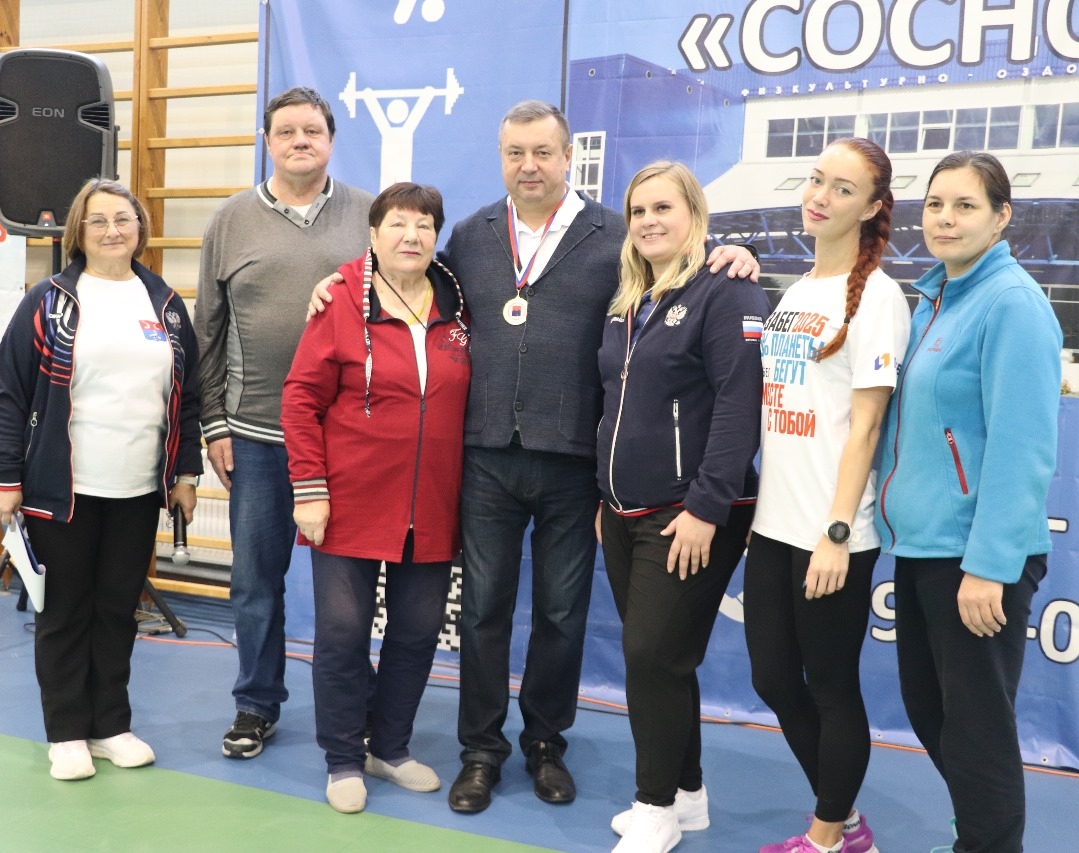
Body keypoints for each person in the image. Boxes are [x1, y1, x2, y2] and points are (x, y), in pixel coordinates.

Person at [309, 100, 756, 814]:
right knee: (483, 612)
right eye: (515, 153)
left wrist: (731, 254)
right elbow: (404, 276)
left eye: (543, 152)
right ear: (501, 158)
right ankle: (480, 751)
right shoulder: (472, 234)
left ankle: (546, 743)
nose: (529, 166)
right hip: (486, 457)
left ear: (568, 156)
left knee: (562, 613)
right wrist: (341, 280)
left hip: (574, 462)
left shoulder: (615, 235)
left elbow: (677, 268)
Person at [875, 151, 1062, 853]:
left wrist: (989, 565)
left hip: (976, 557)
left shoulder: (1012, 303)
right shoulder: (936, 299)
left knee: (978, 728)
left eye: (965, 205)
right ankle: (978, 834)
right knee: (932, 712)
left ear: (1001, 216)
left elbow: (1023, 446)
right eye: (935, 204)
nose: (945, 219)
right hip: (923, 546)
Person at [0, 178, 202, 781]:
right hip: (63, 491)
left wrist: (185, 472)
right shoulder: (48, 301)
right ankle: (66, 733)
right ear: (78, 231)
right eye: (98, 220)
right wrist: (5, 475)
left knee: (116, 611)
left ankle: (110, 725)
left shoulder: (165, 303)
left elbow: (186, 398)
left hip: (137, 490)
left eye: (123, 219)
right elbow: (10, 394)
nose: (113, 230)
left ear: (140, 228)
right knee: (64, 612)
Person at [195, 86, 374, 759]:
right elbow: (208, 330)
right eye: (287, 131)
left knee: (349, 588)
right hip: (256, 437)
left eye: (313, 131)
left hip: (349, 439)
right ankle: (255, 704)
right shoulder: (230, 220)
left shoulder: (370, 214)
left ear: (331, 140)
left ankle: (353, 707)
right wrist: (214, 423)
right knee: (255, 582)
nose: (301, 140)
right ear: (267, 142)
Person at [744, 137, 910, 853]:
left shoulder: (880, 297)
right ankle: (844, 816)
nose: (821, 196)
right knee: (773, 678)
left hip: (832, 531)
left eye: (843, 189)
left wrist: (837, 531)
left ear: (872, 207)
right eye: (817, 180)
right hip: (774, 522)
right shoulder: (798, 292)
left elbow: (867, 425)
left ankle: (826, 837)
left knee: (832, 684)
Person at [282, 182, 470, 814]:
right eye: (397, 224)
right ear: (372, 233)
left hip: (433, 505)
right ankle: (342, 758)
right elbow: (300, 399)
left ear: (436, 236)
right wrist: (310, 489)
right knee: (342, 634)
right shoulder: (340, 299)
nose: (411, 236)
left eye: (424, 225)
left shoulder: (460, 303)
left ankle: (389, 748)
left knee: (416, 634)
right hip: (346, 500)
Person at [597, 162, 768, 853]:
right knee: (663, 661)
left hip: (688, 514)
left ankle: (655, 806)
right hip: (624, 513)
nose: (648, 221)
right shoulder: (628, 299)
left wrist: (705, 507)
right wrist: (604, 495)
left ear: (695, 214)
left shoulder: (727, 290)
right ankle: (688, 795)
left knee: (650, 655)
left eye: (663, 207)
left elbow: (739, 404)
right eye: (638, 211)